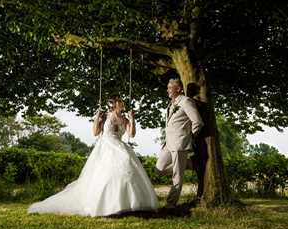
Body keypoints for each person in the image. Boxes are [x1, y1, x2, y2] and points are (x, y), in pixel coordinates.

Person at [28, 95, 158, 217]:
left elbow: (131, 134)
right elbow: (96, 132)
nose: (120, 103)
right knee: (107, 173)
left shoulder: (125, 119)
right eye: (117, 101)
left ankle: (128, 203)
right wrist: (97, 118)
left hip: (120, 145)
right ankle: (107, 205)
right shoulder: (105, 116)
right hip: (106, 146)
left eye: (120, 101)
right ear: (113, 104)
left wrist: (133, 119)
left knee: (127, 165)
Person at [156, 78, 204, 209]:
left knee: (177, 175)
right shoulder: (171, 104)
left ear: (178, 89)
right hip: (168, 143)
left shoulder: (186, 101)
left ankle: (170, 205)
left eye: (170, 87)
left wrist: (189, 136)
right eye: (167, 87)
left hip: (180, 143)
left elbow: (198, 122)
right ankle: (191, 163)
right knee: (159, 168)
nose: (167, 90)